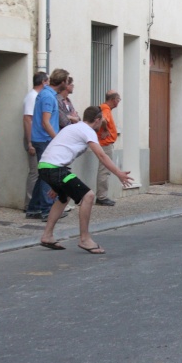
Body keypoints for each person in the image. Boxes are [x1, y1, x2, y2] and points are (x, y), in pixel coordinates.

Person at [37, 105, 133, 254]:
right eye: (102, 120)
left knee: (64, 197)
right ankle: (84, 239)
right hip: (54, 168)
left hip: (45, 167)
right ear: (98, 119)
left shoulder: (75, 127)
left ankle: (47, 235)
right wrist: (119, 173)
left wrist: (56, 184)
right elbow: (102, 156)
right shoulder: (88, 131)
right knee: (88, 196)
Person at [27, 68, 69, 221]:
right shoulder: (48, 97)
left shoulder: (46, 94)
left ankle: (34, 208)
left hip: (43, 139)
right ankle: (46, 210)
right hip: (44, 140)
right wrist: (57, 139)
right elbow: (46, 122)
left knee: (43, 175)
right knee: (49, 175)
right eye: (67, 80)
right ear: (63, 82)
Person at [23, 71, 49, 211]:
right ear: (43, 82)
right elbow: (27, 119)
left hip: (36, 138)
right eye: (47, 81)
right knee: (34, 172)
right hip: (34, 139)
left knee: (39, 172)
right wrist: (29, 142)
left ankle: (36, 202)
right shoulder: (32, 96)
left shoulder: (38, 96)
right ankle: (29, 203)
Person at [95, 90, 121, 206]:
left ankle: (101, 196)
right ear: (113, 100)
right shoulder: (105, 108)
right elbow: (103, 120)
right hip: (105, 144)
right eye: (118, 100)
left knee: (104, 170)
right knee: (104, 170)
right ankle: (101, 196)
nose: (118, 102)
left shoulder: (103, 108)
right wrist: (105, 129)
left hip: (104, 144)